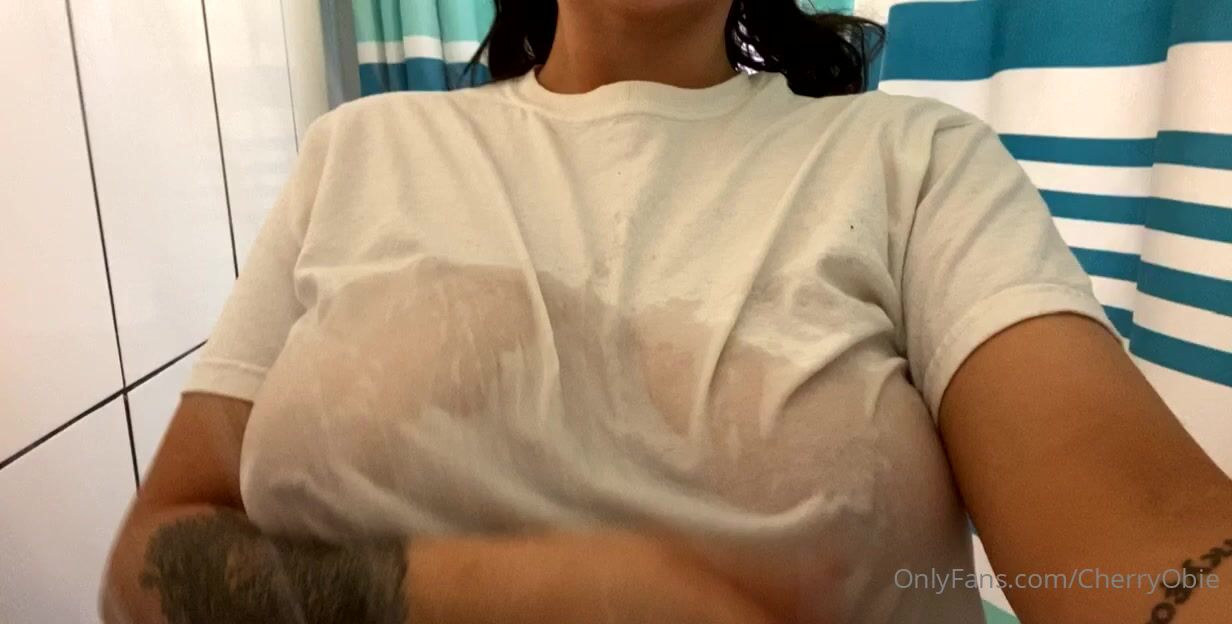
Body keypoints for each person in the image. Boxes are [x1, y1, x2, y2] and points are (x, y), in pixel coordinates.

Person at [102, 0, 1232, 622]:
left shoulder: (916, 163)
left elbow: (1145, 537)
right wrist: (540, 592)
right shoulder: (354, 152)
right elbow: (147, 560)